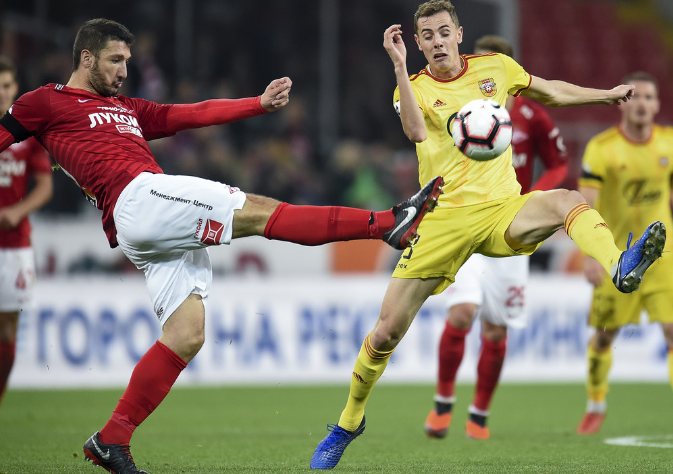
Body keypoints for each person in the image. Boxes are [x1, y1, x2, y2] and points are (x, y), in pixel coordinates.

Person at [0, 19, 444, 474]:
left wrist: (257, 104)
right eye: (116, 61)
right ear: (86, 58)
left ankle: (112, 438)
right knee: (257, 208)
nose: (124, 71)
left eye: (128, 62)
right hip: (137, 198)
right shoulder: (44, 101)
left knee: (187, 334)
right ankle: (388, 223)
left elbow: (190, 114)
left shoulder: (125, 107)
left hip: (148, 223)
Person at [310, 1, 667, 469]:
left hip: (501, 208)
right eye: (427, 37)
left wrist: (606, 96)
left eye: (444, 32)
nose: (437, 42)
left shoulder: (496, 69)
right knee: (384, 334)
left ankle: (620, 262)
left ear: (459, 34)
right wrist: (398, 66)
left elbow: (551, 92)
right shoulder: (412, 85)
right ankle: (349, 420)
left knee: (566, 201)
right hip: (439, 221)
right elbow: (416, 131)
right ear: (417, 44)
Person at [423, 35, 568, 441]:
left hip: (510, 226)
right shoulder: (455, 112)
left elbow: (558, 164)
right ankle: (443, 402)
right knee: (461, 312)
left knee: (496, 329)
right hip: (465, 224)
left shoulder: (532, 115)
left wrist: (533, 200)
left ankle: (479, 414)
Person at [576, 71, 673, 435]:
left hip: (664, 258)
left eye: (649, 97)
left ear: (657, 105)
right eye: (636, 96)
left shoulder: (672, 142)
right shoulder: (601, 148)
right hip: (618, 258)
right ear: (624, 102)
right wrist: (592, 256)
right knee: (605, 336)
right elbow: (585, 206)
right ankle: (596, 404)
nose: (642, 103)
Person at [0, 57, 54, 409]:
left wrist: (18, 210)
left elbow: (45, 186)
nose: (0, 92)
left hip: (13, 246)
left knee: (7, 333)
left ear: (15, 88)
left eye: (5, 85)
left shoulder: (26, 132)